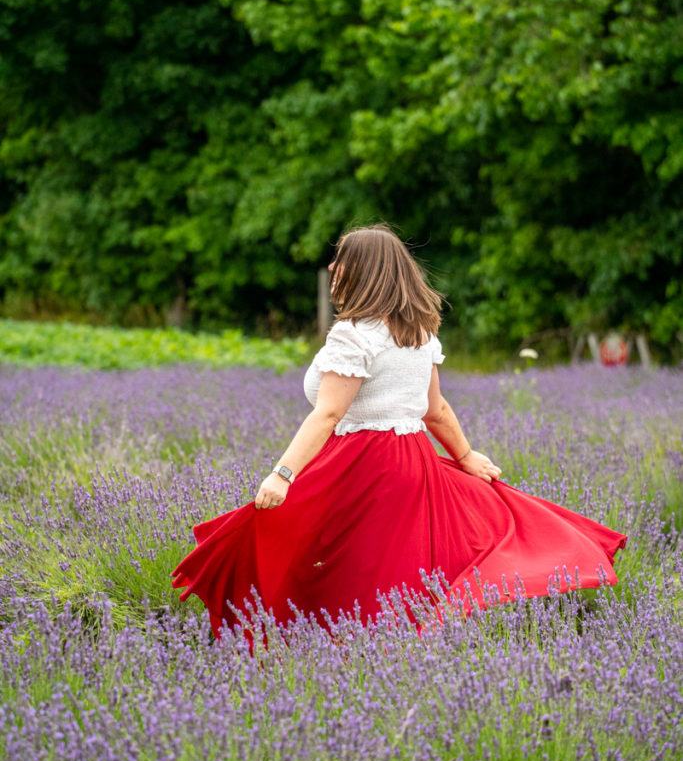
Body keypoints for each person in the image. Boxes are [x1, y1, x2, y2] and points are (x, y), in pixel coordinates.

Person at [170, 223, 628, 646]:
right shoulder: (419, 331)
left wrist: (282, 474)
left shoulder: (354, 335)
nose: (334, 267)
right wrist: (465, 456)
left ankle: (301, 644)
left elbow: (328, 414)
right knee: (387, 569)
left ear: (364, 270)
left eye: (342, 258)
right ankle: (372, 651)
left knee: (281, 539)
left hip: (359, 462)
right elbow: (436, 410)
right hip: (412, 460)